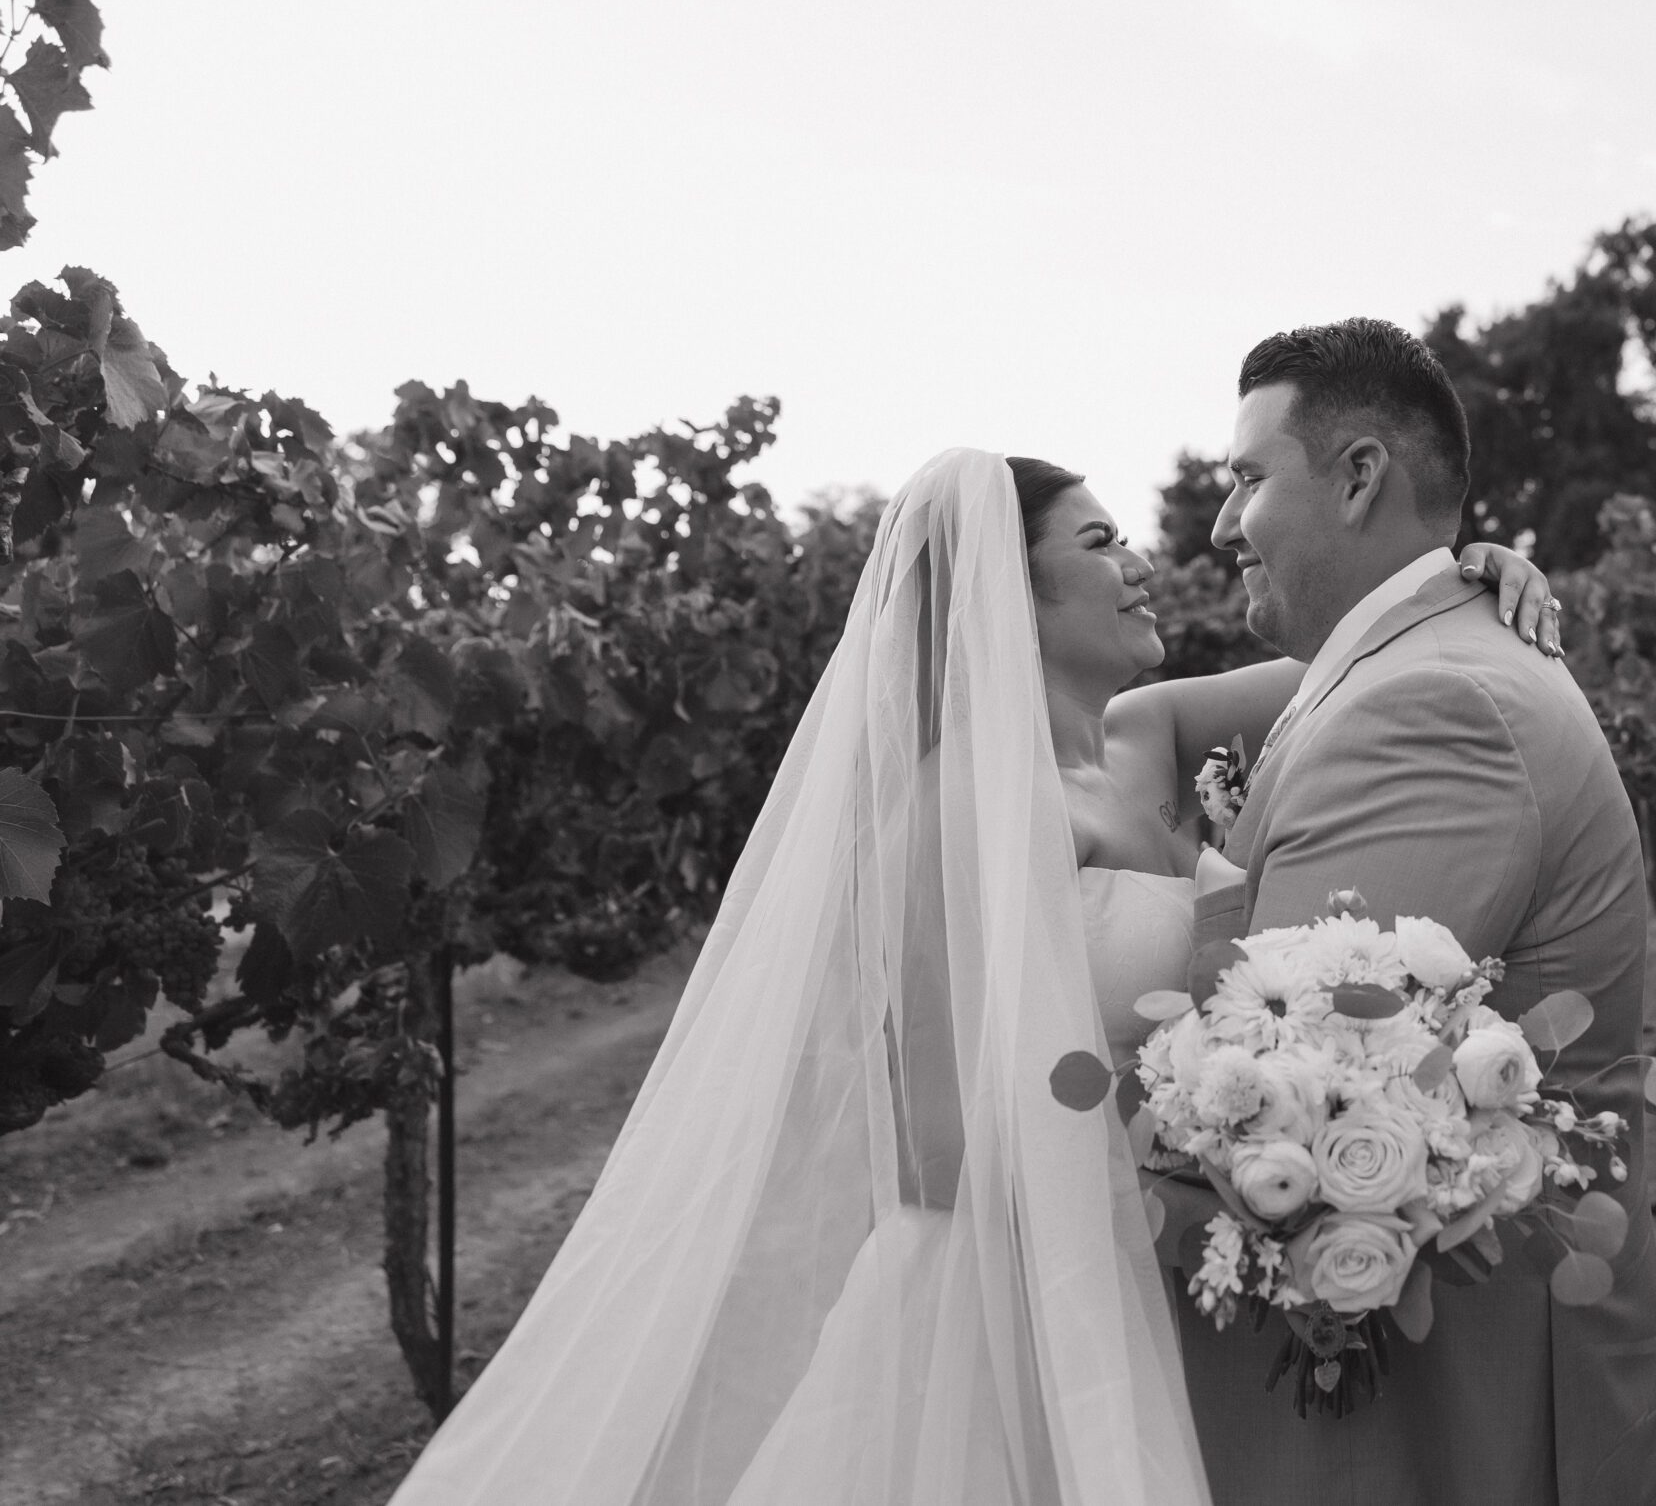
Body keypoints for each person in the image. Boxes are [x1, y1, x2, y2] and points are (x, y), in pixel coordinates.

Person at [384, 446, 1560, 1504]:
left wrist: (1466, 576)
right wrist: (1222, 1173)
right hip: (1004, 1307)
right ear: (1007, 591)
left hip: (1154, 1265)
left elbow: (1366, 659)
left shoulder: (1136, 741)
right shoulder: (962, 805)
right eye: (1100, 543)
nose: (1141, 563)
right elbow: (929, 1142)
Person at [1181, 318, 1656, 1506]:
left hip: (1450, 1416)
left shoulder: (1432, 704)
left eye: (1247, 479)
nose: (1219, 525)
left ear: (1360, 477)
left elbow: (1295, 1109)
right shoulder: (1406, 662)